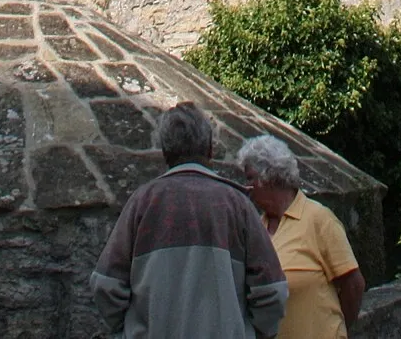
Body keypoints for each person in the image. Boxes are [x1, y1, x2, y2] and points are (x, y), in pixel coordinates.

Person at [90, 101, 289, 339]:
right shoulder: (238, 205)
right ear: (209, 149)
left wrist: (133, 330)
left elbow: (106, 285)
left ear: (165, 152)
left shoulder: (142, 202)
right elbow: (272, 292)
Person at [237, 133, 365, 339]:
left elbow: (354, 285)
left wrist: (336, 330)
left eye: (250, 178)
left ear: (270, 176)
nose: (247, 187)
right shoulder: (256, 228)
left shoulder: (318, 219)